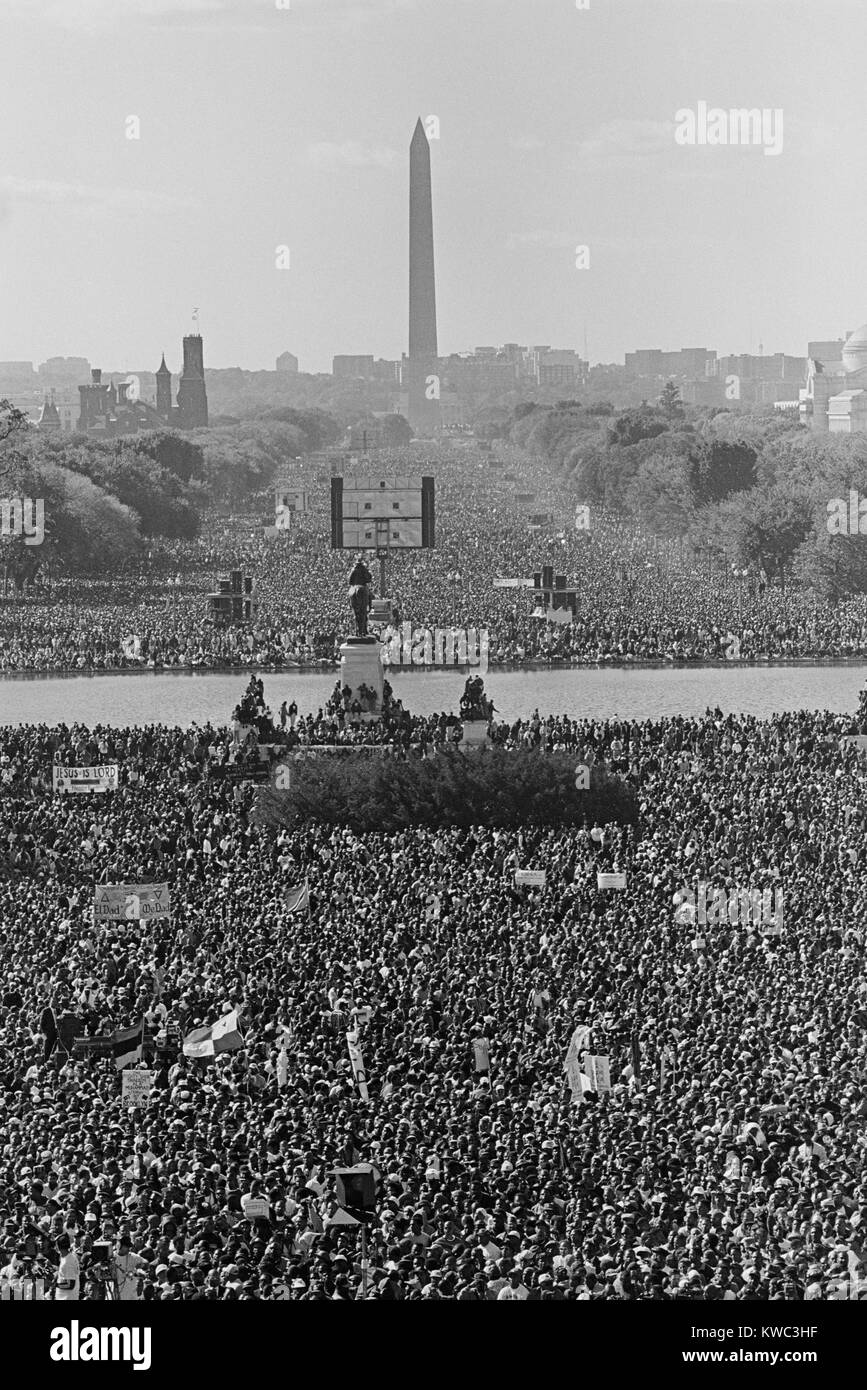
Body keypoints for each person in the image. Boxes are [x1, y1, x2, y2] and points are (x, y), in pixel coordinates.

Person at [54, 1235, 80, 1301]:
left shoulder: (68, 1262)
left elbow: (70, 1284)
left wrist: (55, 1284)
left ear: (58, 1246)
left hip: (68, 1297)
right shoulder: (66, 1257)